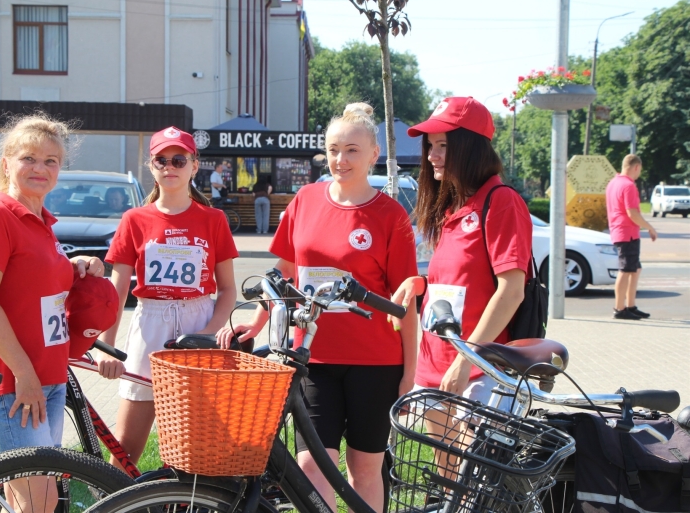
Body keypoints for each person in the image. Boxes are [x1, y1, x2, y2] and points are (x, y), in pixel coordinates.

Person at [217, 103, 418, 512]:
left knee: (365, 470)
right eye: (332, 149)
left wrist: (409, 374)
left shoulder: (390, 216)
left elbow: (405, 303)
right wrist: (256, 323)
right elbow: (284, 271)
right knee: (312, 467)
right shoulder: (306, 200)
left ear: (373, 154)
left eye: (351, 150)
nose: (340, 160)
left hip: (375, 364)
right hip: (313, 357)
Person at [0, 113, 106, 512]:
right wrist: (24, 375)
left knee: (28, 499)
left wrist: (74, 264)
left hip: (49, 376)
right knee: (41, 502)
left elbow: (33, 282)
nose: (40, 169)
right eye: (29, 158)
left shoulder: (42, 222)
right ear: (7, 162)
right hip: (15, 381)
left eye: (51, 161)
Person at [96, 126, 239, 470]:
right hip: (150, 324)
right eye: (161, 160)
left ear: (194, 164)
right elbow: (116, 287)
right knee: (126, 447)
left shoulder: (213, 219)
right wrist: (106, 346)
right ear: (151, 166)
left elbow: (228, 289)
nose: (170, 166)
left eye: (179, 159)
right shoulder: (134, 219)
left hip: (198, 321)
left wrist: (209, 333)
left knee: (197, 445)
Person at [390, 96, 532, 402]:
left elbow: (511, 291)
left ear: (471, 147)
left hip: (479, 370)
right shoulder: (451, 207)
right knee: (437, 453)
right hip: (434, 364)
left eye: (443, 145)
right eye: (430, 145)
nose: (431, 155)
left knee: (472, 452)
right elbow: (464, 283)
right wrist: (422, 284)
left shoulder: (501, 201)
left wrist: (467, 359)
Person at [605, 154, 657, 320]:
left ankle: (631, 305)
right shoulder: (628, 185)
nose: (639, 173)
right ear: (636, 167)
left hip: (620, 231)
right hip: (627, 232)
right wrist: (650, 227)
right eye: (639, 170)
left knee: (635, 268)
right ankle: (620, 308)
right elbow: (632, 213)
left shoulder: (613, 183)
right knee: (626, 270)